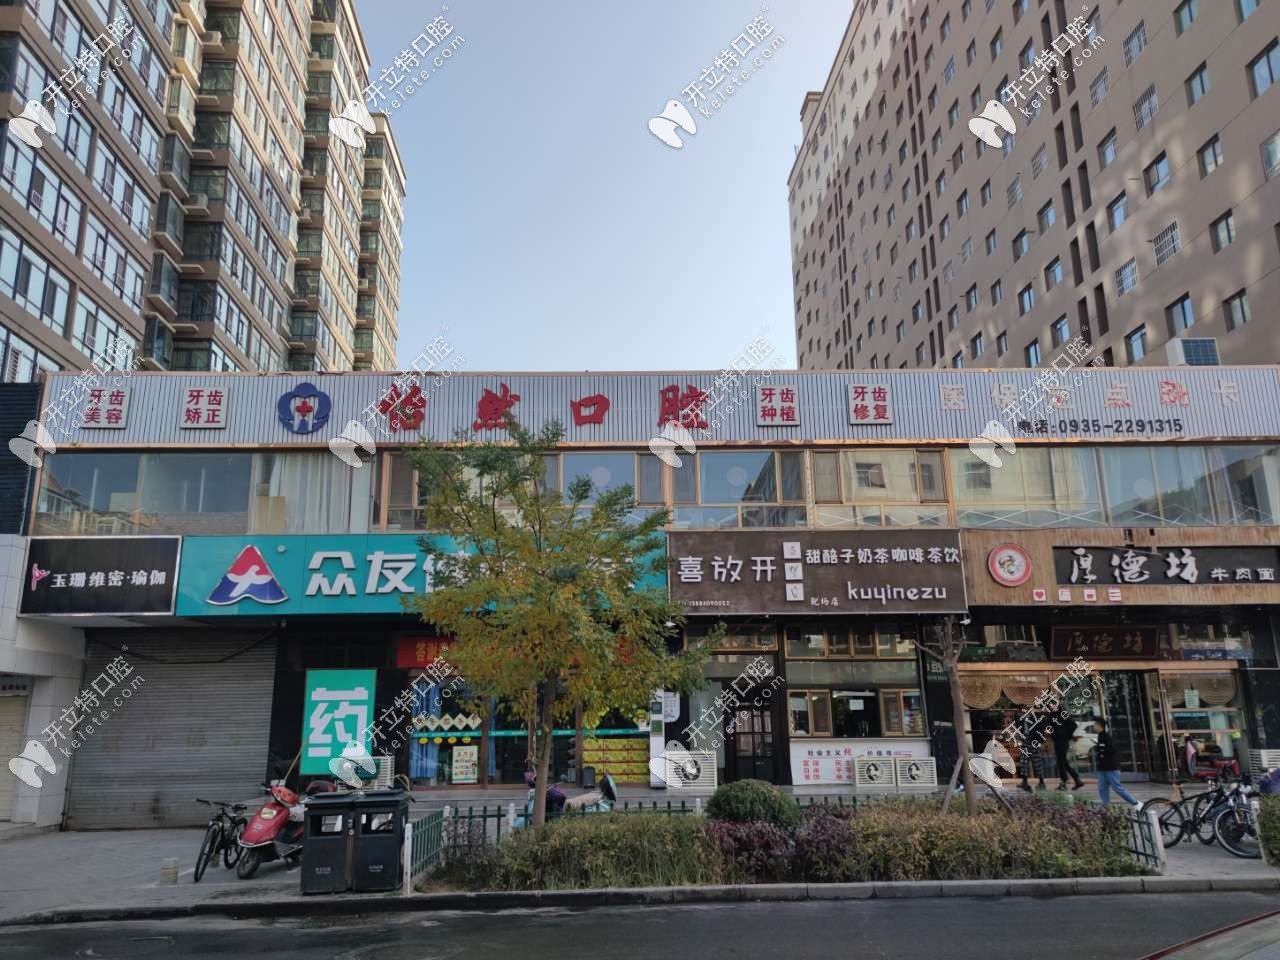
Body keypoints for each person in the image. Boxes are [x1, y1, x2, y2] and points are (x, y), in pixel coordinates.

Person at [1093, 716, 1140, 807]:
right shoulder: (1100, 736)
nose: (1093, 726)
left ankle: (1136, 803)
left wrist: (1101, 752)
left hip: (1111, 767)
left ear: (1099, 726)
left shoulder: (1106, 736)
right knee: (1102, 787)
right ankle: (1106, 805)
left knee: (1117, 788)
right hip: (1102, 768)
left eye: (1095, 724)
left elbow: (1112, 750)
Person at [1050, 705, 1085, 790]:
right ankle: (1076, 780)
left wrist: (1065, 734)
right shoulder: (1050, 716)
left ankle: (1066, 782)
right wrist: (1052, 734)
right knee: (1062, 762)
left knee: (1062, 762)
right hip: (1057, 741)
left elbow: (1073, 725)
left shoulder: (1063, 714)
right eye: (1050, 705)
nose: (1052, 706)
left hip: (1063, 741)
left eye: (1053, 705)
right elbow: (1051, 728)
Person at [1018, 709, 1050, 791]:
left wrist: (1040, 742)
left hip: (1034, 741)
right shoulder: (1022, 720)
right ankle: (1024, 781)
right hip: (1026, 741)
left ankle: (1041, 782)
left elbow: (1041, 730)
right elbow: (1021, 730)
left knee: (1036, 762)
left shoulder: (1035, 719)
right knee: (1024, 761)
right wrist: (1022, 739)